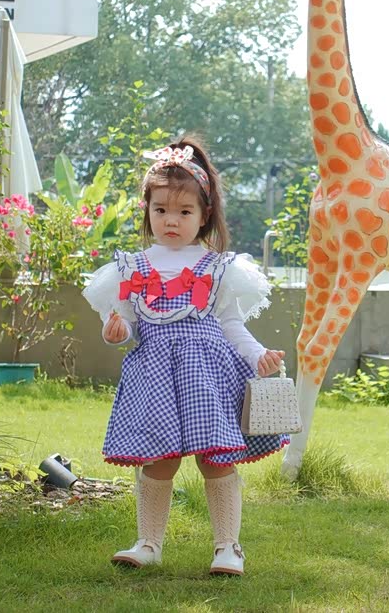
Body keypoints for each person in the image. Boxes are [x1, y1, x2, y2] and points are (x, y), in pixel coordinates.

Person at [82, 136, 288, 575]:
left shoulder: (219, 267)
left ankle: (228, 547)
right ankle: (148, 543)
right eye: (160, 210)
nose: (170, 220)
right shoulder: (129, 268)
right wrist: (115, 332)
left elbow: (231, 325)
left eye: (184, 211)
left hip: (206, 378)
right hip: (153, 378)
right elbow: (126, 326)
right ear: (147, 211)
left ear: (204, 214)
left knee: (216, 460)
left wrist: (258, 356)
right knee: (159, 461)